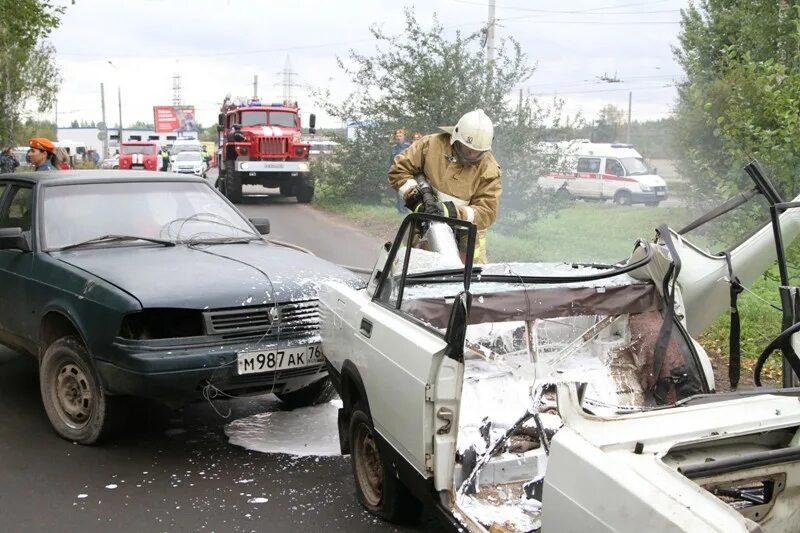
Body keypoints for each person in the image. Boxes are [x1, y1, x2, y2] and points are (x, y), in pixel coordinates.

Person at [388, 109, 501, 263]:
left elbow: (487, 211)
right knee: (416, 275)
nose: (471, 156)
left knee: (469, 283)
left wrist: (452, 212)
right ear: (455, 138)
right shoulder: (430, 145)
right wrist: (416, 200)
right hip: (423, 230)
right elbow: (398, 170)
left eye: (477, 153)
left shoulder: (489, 169)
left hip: (466, 243)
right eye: (467, 150)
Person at [390, 128, 410, 214]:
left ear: (404, 136)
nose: (399, 138)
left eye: (400, 136)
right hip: (396, 172)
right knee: (398, 192)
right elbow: (390, 161)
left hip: (406, 172)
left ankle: (405, 210)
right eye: (397, 136)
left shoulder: (408, 146)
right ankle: (400, 211)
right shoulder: (393, 148)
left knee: (406, 191)